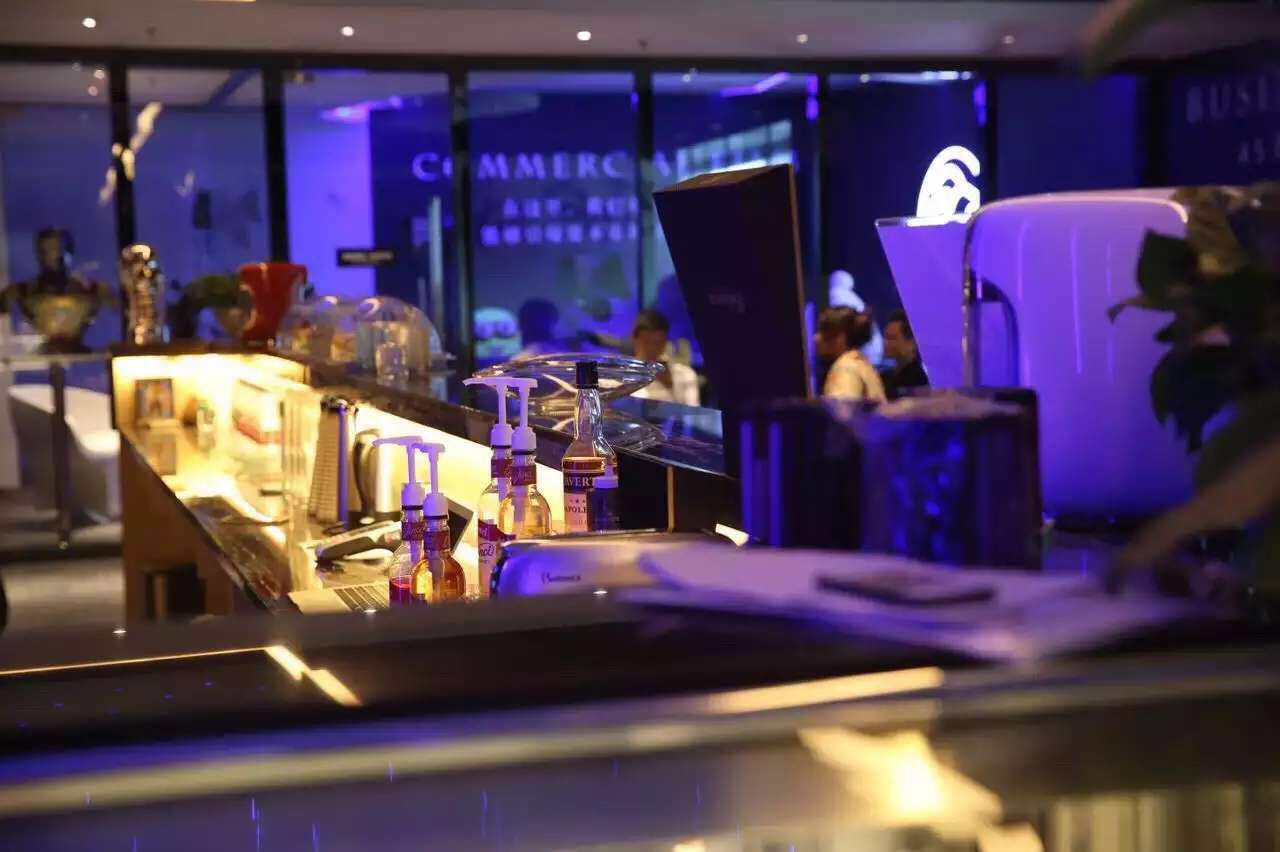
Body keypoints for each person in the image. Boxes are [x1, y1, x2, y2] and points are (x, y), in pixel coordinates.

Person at [815, 306, 886, 402]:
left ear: (841, 338)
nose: (816, 338)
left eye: (823, 332)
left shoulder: (846, 368)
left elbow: (842, 410)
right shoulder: (860, 363)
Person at [631, 309, 700, 407]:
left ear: (665, 342)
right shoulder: (620, 378)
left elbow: (693, 413)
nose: (652, 349)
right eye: (647, 343)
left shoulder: (685, 375)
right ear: (635, 339)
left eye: (658, 343)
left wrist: (670, 387)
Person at [882, 309, 928, 398]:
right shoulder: (887, 375)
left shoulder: (916, 380)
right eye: (886, 337)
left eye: (892, 338)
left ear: (912, 343)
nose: (886, 343)